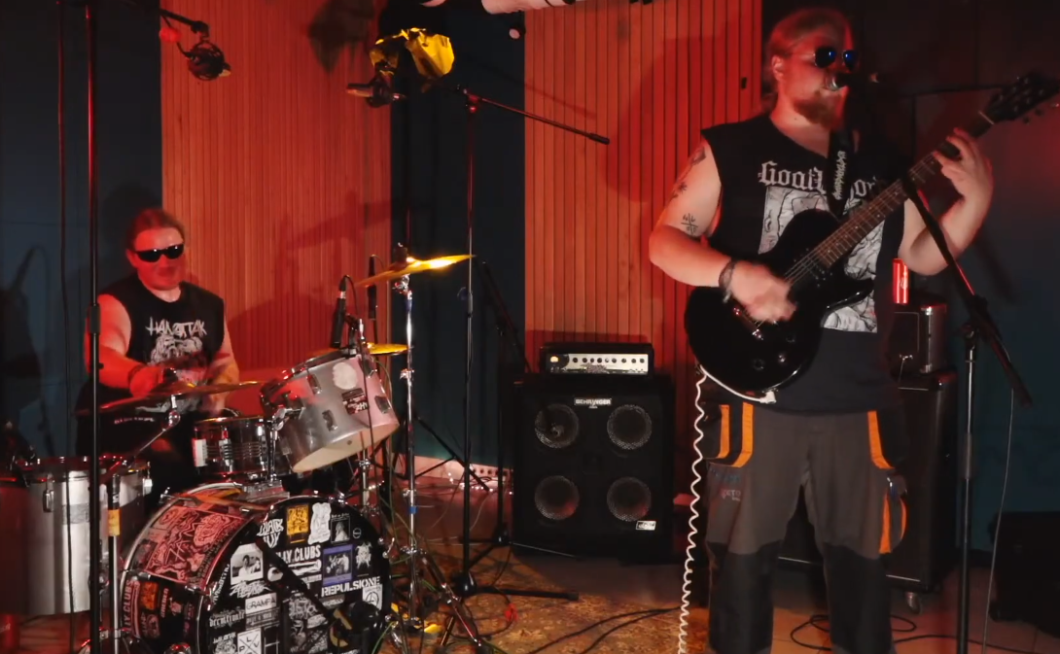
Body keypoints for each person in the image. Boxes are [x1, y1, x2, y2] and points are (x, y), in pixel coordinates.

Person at [648, 7, 993, 654]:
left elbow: (922, 256)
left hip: (859, 400)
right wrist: (735, 275)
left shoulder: (882, 164)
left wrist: (975, 200)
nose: (839, 69)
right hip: (759, 397)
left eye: (849, 60)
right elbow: (665, 242)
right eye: (823, 55)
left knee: (863, 582)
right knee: (742, 578)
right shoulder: (731, 147)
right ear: (778, 65)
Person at [75, 208, 239, 505]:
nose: (165, 262)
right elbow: (101, 356)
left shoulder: (209, 304)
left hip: (189, 422)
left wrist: (219, 391)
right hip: (133, 425)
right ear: (132, 258)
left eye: (173, 251)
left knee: (246, 455)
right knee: (167, 464)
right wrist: (138, 375)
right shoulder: (115, 302)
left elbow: (224, 358)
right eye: (151, 255)